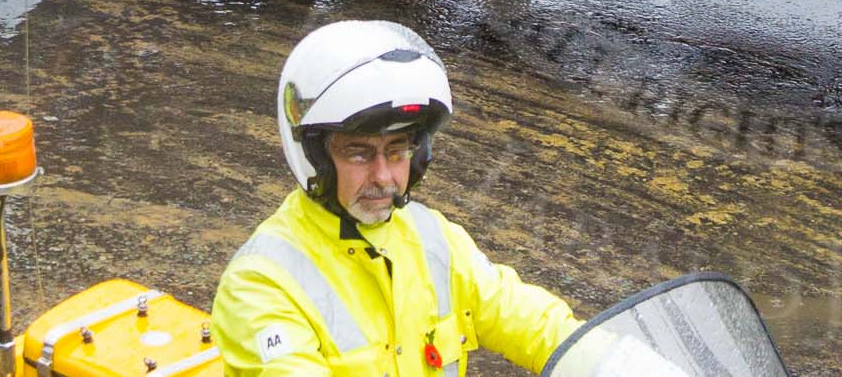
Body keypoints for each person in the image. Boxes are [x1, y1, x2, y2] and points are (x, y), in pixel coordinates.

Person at [210, 21, 578, 374]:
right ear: (315, 158)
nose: (384, 177)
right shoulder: (260, 284)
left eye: (397, 151)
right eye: (359, 153)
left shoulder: (432, 238)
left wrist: (602, 355)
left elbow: (523, 315)